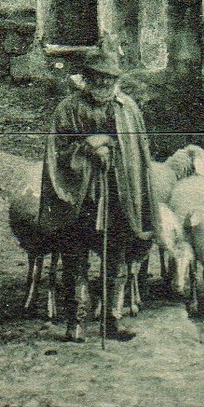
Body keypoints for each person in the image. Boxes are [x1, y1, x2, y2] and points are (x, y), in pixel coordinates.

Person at [36, 46, 157, 343]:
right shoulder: (69, 108)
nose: (103, 84)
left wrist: (111, 146)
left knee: (114, 259)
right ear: (86, 78)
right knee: (75, 259)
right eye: (97, 78)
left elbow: (136, 150)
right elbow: (57, 152)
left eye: (109, 78)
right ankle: (75, 322)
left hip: (117, 196)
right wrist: (88, 146)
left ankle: (111, 320)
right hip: (80, 198)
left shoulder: (127, 108)